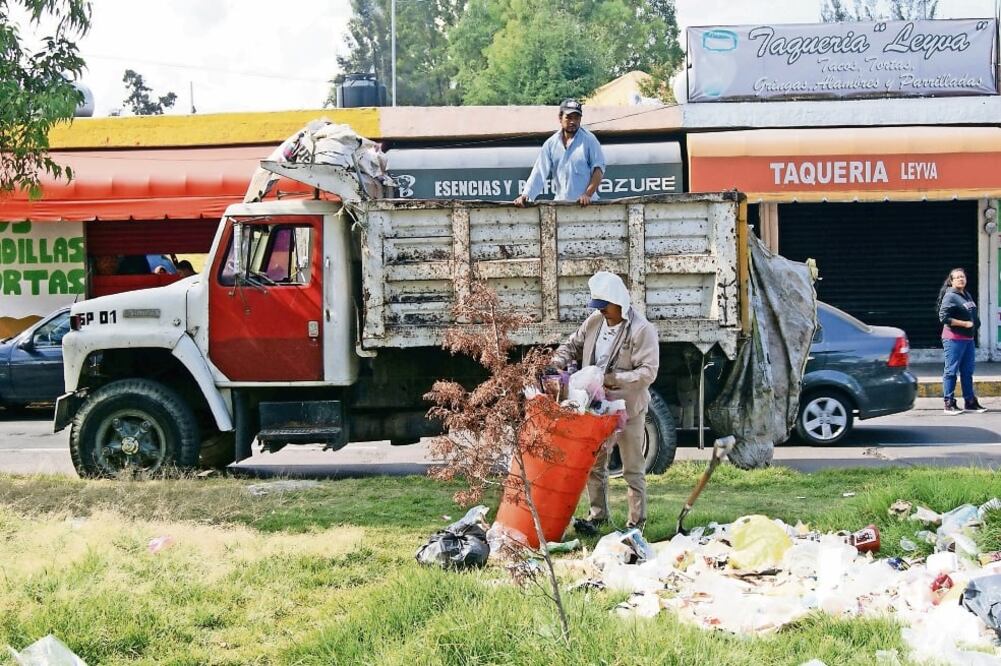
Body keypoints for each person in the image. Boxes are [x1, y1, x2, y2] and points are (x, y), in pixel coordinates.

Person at [551, 271, 659, 533]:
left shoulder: (641, 329)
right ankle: (597, 517)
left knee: (632, 468)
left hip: (628, 410)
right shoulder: (594, 322)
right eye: (598, 307)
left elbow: (648, 372)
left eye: (605, 306)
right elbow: (572, 345)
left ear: (619, 302)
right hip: (598, 408)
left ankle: (636, 524)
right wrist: (556, 362)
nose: (602, 312)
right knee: (595, 465)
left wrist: (616, 379)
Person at [513, 98, 605, 207]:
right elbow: (539, 172)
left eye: (576, 118)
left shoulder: (589, 140)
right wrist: (526, 195)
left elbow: (598, 170)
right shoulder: (551, 144)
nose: (573, 122)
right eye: (569, 117)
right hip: (561, 205)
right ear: (560, 118)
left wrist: (587, 194)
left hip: (587, 205)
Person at [937, 267, 987, 414]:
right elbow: (943, 318)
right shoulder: (950, 296)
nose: (961, 279)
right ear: (951, 281)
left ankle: (970, 401)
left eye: (962, 277)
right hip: (953, 338)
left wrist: (975, 325)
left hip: (968, 339)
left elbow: (972, 313)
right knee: (951, 371)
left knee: (967, 371)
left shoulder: (966, 294)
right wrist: (964, 324)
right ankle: (949, 402)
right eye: (957, 277)